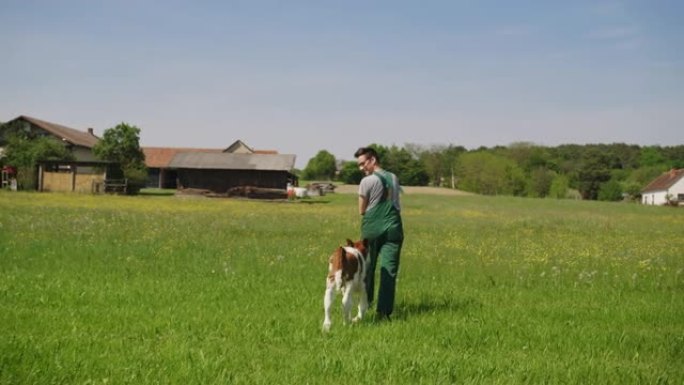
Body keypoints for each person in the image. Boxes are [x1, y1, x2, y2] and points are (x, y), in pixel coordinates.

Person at [354, 147, 403, 321]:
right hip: (394, 229)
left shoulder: (366, 182)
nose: (361, 168)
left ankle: (364, 308)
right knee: (389, 271)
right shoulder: (394, 177)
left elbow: (361, 210)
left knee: (367, 269)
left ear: (372, 160)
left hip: (372, 230)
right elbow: (397, 205)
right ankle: (384, 313)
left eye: (362, 164)